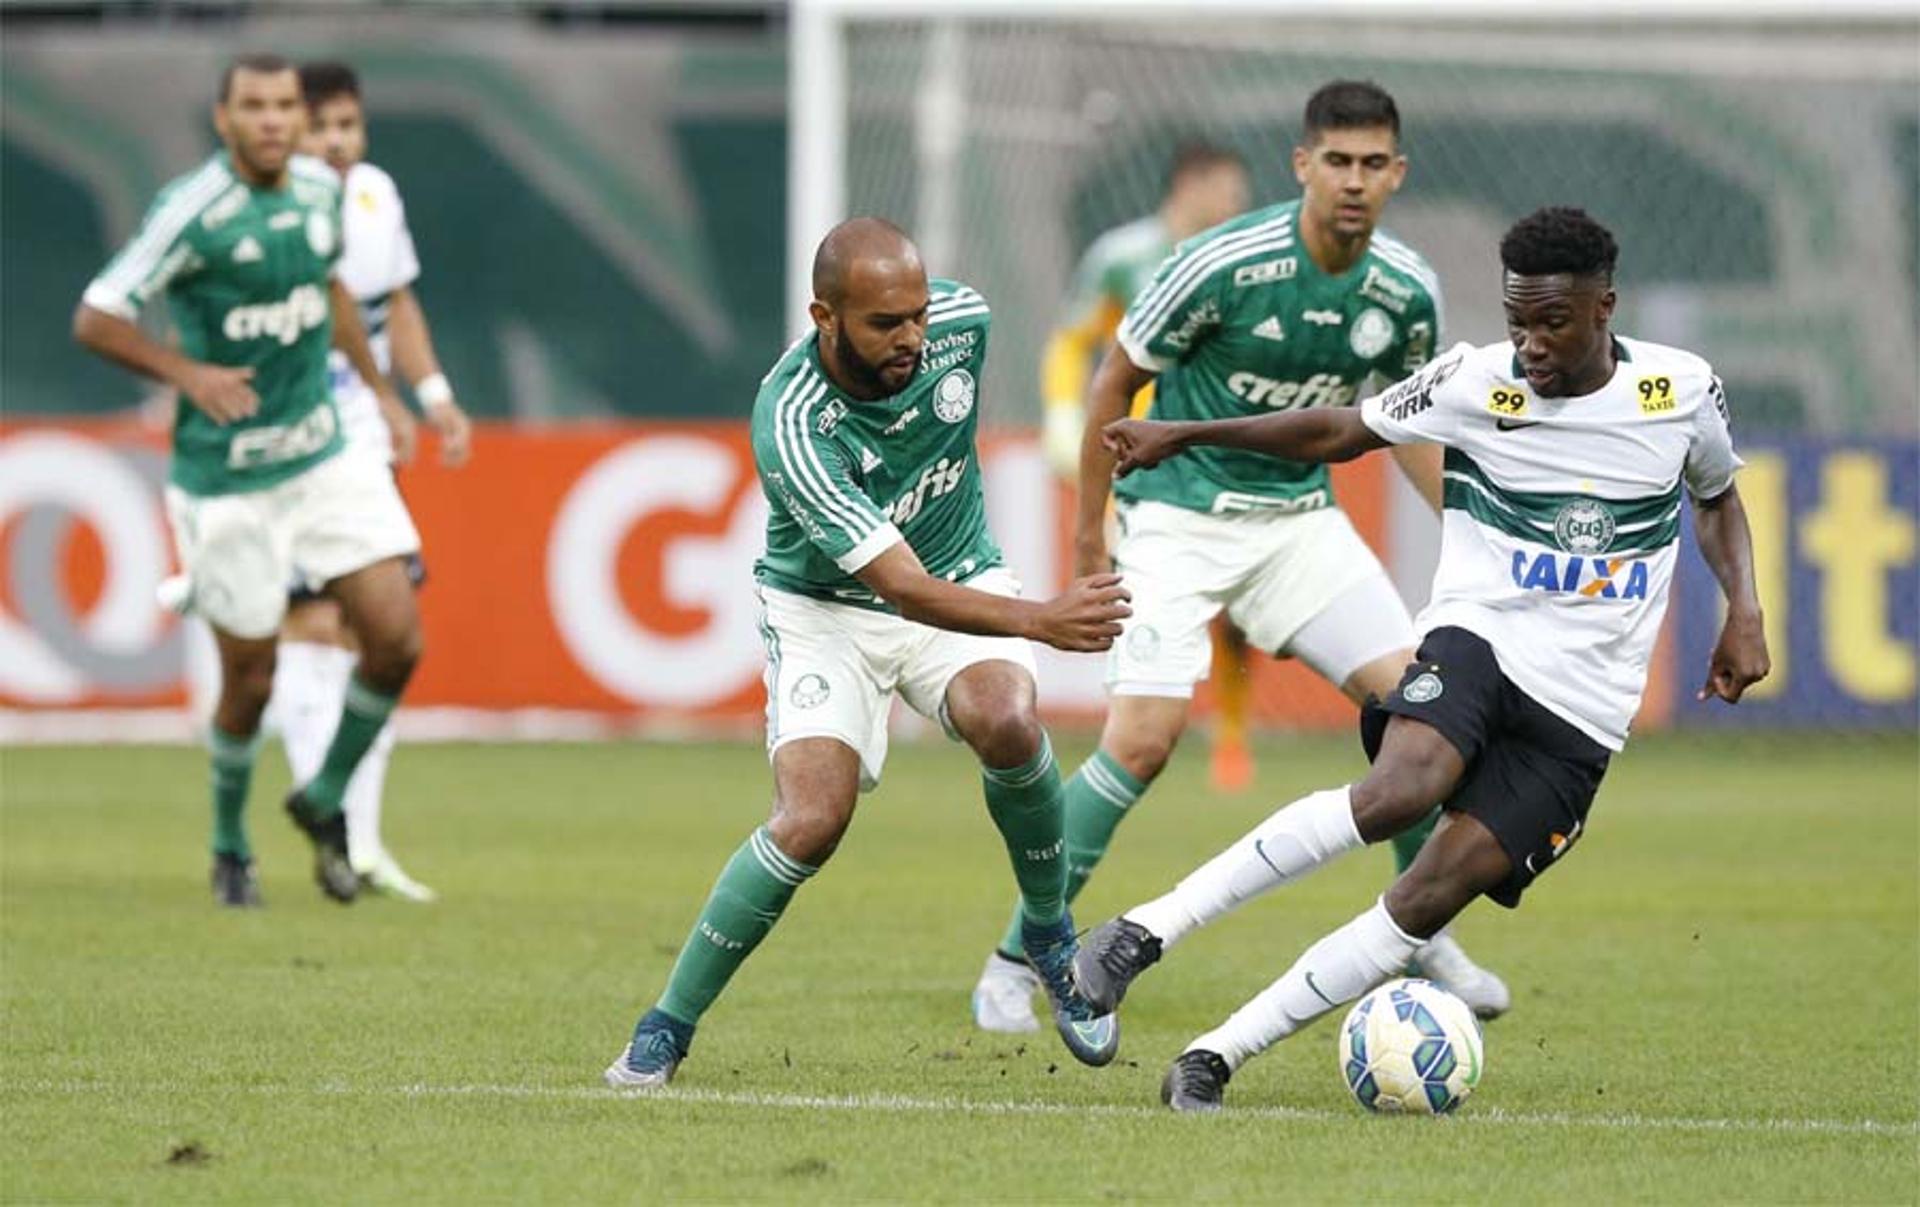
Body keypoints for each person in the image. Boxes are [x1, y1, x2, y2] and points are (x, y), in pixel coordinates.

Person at [1076, 205, 1770, 1110]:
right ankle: (1138, 932)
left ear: (1605, 307)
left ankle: (1215, 1054)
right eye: (1517, 321)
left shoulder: (1680, 391)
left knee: (1430, 892)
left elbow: (1716, 497)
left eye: (1552, 323)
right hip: (1480, 637)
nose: (1529, 345)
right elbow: (1338, 431)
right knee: (1399, 788)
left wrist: (1744, 609)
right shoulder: (1477, 381)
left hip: (1585, 710)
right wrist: (1183, 433)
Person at [972, 80, 1507, 1034]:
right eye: (1335, 162)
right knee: (1141, 740)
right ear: (1303, 166)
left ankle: (1420, 931)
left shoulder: (1405, 290)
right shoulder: (1219, 263)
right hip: (1176, 517)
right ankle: (1021, 956)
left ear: (1397, 174)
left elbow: (1411, 427)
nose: (1352, 181)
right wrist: (1093, 538)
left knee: (1419, 712)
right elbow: (1113, 383)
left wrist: (1476, 530)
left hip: (1298, 524)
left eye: (1370, 164)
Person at [604, 218, 1132, 1089]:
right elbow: (898, 588)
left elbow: (935, 572)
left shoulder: (965, 327)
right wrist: (1042, 618)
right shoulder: (792, 421)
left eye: (919, 315)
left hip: (956, 569)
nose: (913, 339)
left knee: (1005, 714)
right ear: (825, 315)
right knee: (812, 819)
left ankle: (1048, 932)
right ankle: (666, 1025)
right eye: (887, 323)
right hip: (828, 610)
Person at [72, 53, 449, 907]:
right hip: (229, 480)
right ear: (224, 119)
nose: (275, 120)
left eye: (285, 105)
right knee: (249, 679)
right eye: (257, 106)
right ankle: (229, 842)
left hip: (323, 455)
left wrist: (386, 395)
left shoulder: (324, 198)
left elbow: (332, 294)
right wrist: (187, 373)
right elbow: (96, 314)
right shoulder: (192, 212)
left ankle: (323, 799)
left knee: (396, 635)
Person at [265, 60, 473, 903]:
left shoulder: (376, 195)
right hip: (294, 438)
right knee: (313, 623)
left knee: (372, 633)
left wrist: (434, 396)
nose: (338, 142)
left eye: (349, 124)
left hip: (365, 435)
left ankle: (357, 833)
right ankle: (330, 828)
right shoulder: (275, 206)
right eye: (321, 127)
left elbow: (398, 305)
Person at [1037, 142, 1261, 803]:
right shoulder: (1122, 256)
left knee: (1236, 608)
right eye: (1227, 189)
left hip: (1215, 446)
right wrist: (1059, 413)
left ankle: (1231, 737)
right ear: (1189, 185)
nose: (1236, 204)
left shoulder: (1243, 260)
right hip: (1135, 456)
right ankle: (1131, 728)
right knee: (1128, 585)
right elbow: (1073, 339)